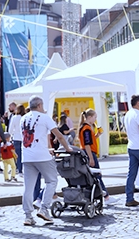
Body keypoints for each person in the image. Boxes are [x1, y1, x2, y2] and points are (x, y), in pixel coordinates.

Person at [21, 95, 73, 226]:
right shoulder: (45, 118)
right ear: (39, 105)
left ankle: (28, 216)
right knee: (51, 180)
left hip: (27, 157)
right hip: (42, 156)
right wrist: (68, 148)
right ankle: (44, 209)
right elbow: (59, 136)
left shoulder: (23, 118)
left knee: (28, 187)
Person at [77, 109, 109, 202]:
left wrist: (97, 135)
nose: (95, 120)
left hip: (87, 152)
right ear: (89, 117)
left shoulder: (84, 127)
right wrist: (91, 158)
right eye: (95, 117)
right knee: (97, 174)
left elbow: (89, 141)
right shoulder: (86, 128)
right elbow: (87, 144)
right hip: (89, 153)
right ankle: (105, 195)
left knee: (93, 175)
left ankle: (101, 195)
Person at [8, 104, 26, 174]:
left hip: (16, 137)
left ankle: (19, 168)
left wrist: (10, 135)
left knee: (17, 154)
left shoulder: (15, 117)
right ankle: (23, 167)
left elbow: (11, 128)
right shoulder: (25, 117)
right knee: (24, 154)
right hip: (24, 137)